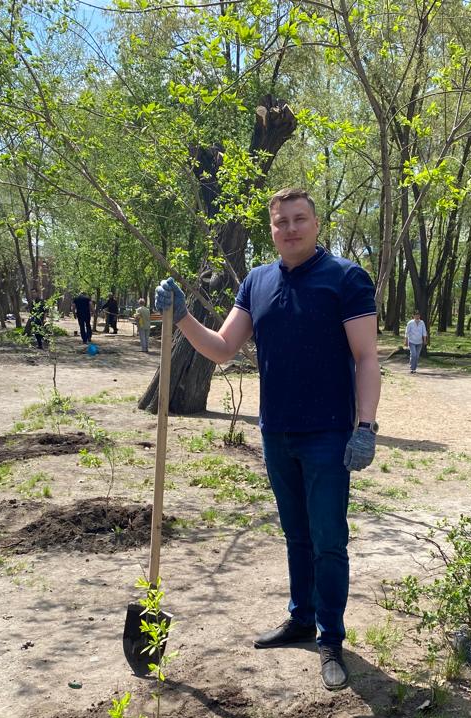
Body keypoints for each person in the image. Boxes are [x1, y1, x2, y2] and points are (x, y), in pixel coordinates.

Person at [155, 187, 381, 691]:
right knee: (296, 534)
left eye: (300, 219)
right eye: (282, 222)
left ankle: (330, 638)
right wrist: (183, 315)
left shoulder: (346, 279)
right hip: (276, 431)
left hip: (328, 434)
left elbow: (367, 358)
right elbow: (222, 348)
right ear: (272, 229)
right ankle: (301, 618)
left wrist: (365, 427)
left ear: (316, 224)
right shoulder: (257, 281)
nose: (291, 228)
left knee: (328, 540)